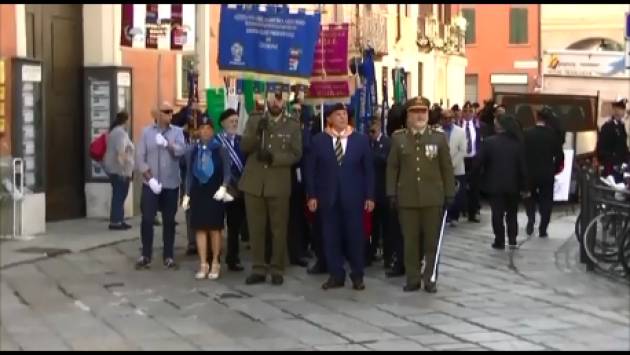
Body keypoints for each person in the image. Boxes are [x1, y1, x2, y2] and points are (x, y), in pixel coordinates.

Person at [387, 96, 455, 293]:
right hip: (407, 198)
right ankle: (413, 278)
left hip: (432, 198)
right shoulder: (399, 138)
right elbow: (392, 167)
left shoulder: (438, 137)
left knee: (432, 242)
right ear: (408, 115)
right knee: (410, 241)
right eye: (415, 111)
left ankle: (430, 278)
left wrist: (449, 193)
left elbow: (446, 168)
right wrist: (391, 193)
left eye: (423, 111)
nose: (419, 115)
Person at [305, 103, 375, 290]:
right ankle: (336, 274)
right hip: (328, 198)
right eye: (338, 114)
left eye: (344, 114)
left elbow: (368, 170)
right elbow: (310, 170)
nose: (342, 117)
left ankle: (357, 275)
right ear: (329, 118)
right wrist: (312, 195)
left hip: (354, 197)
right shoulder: (319, 140)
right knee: (330, 237)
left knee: (355, 237)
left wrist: (370, 196)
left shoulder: (360, 140)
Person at [240, 89, 302, 286]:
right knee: (256, 228)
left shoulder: (292, 124)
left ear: (285, 101)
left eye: (279, 98)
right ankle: (258, 268)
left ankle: (277, 268)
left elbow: (296, 154)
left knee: (278, 228)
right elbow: (244, 146)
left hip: (278, 181)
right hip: (255, 182)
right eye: (272, 98)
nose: (276, 102)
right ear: (266, 99)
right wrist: (258, 133)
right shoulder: (255, 119)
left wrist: (275, 158)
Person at [135, 102, 186, 270]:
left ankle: (169, 255)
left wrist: (167, 144)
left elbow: (181, 151)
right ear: (156, 114)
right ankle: (146, 254)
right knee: (148, 219)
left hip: (170, 183)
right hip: (151, 183)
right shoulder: (146, 133)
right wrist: (149, 179)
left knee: (169, 221)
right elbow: (140, 158)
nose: (170, 114)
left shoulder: (177, 132)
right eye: (166, 111)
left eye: (171, 111)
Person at [182, 114, 232, 279]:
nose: (205, 132)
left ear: (213, 131)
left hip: (215, 193)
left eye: (208, 128)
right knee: (200, 228)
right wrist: (187, 194)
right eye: (202, 128)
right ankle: (203, 263)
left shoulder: (220, 149)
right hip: (198, 193)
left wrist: (224, 187)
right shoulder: (193, 150)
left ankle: (216, 262)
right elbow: (189, 173)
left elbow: (227, 171)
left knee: (214, 229)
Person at [475, 114, 528, 250]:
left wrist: (478, 179)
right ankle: (512, 239)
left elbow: (478, 163)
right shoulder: (518, 143)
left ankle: (499, 240)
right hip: (513, 185)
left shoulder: (488, 142)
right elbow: (523, 167)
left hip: (494, 184)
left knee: (497, 213)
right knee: (512, 213)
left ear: (499, 125)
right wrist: (525, 187)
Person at [523, 107, 564, 238]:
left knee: (529, 196)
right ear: (547, 120)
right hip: (547, 172)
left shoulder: (527, 133)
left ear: (536, 118)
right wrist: (555, 168)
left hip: (530, 172)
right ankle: (543, 229)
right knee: (547, 200)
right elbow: (559, 155)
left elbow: (521, 153)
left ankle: (530, 217)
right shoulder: (553, 135)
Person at [217, 108, 248, 272]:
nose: (234, 123)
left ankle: (233, 258)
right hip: (220, 187)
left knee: (234, 225)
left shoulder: (242, 141)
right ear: (223, 123)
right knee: (215, 225)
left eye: (236, 121)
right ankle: (213, 257)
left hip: (237, 189)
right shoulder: (216, 141)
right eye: (231, 121)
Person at [286, 99, 311, 267]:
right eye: (293, 110)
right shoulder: (287, 129)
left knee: (302, 216)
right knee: (291, 218)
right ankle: (293, 252)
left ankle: (302, 247)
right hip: (289, 176)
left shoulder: (306, 131)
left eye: (299, 111)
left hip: (303, 178)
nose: (296, 114)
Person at [103, 111, 134, 230]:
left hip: (117, 169)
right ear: (126, 120)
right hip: (119, 170)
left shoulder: (116, 132)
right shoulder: (120, 133)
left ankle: (119, 219)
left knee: (120, 195)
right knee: (119, 195)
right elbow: (120, 152)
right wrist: (123, 170)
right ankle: (116, 222)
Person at [367, 118, 391, 267]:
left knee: (386, 227)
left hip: (383, 190)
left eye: (373, 130)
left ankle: (388, 257)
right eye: (369, 131)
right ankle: (370, 253)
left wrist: (372, 155)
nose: (371, 133)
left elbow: (386, 160)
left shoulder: (387, 143)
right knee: (372, 226)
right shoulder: (367, 142)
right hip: (371, 192)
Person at [460, 101, 486, 223]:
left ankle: (473, 212)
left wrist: (480, 158)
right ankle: (461, 209)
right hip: (461, 159)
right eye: (465, 111)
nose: (468, 113)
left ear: (474, 112)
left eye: (470, 111)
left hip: (474, 159)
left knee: (475, 187)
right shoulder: (458, 125)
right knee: (461, 186)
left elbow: (482, 144)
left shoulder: (479, 126)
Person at [441, 109, 467, 227]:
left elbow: (463, 151)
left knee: (456, 194)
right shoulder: (437, 132)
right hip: (441, 168)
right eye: (445, 118)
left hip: (456, 168)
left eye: (449, 118)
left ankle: (454, 216)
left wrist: (452, 165)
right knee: (443, 193)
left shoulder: (460, 132)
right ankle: (445, 216)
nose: (447, 121)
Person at [597, 98, 629, 180]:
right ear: (614, 109)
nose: (623, 111)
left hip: (622, 165)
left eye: (623, 109)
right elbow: (602, 150)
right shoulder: (608, 127)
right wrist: (613, 163)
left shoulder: (621, 126)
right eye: (620, 108)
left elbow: (623, 146)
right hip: (611, 167)